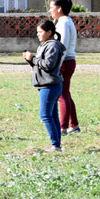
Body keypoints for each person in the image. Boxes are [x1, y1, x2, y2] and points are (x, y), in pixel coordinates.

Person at [23, 19, 66, 152]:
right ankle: (57, 144)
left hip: (50, 86)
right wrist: (30, 61)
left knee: (45, 115)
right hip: (47, 85)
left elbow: (48, 65)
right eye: (37, 32)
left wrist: (33, 59)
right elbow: (40, 65)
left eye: (40, 32)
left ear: (49, 32)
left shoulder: (52, 46)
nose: (38, 34)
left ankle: (55, 145)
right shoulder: (45, 45)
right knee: (52, 116)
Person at [50, 0, 80, 136]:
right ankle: (74, 125)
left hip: (65, 62)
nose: (50, 10)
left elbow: (63, 46)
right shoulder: (65, 21)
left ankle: (62, 128)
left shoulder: (63, 23)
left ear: (59, 8)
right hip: (67, 61)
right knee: (66, 93)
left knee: (62, 95)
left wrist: (57, 64)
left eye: (52, 7)